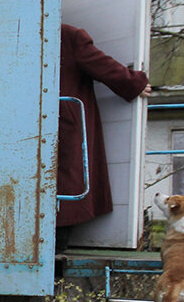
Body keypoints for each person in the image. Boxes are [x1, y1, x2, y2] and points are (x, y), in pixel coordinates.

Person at [57, 23, 152, 240]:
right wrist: (133, 81)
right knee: (67, 176)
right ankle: (59, 240)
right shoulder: (67, 35)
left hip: (45, 118)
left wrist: (131, 82)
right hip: (65, 117)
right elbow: (100, 63)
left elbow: (100, 64)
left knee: (60, 176)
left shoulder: (20, 34)